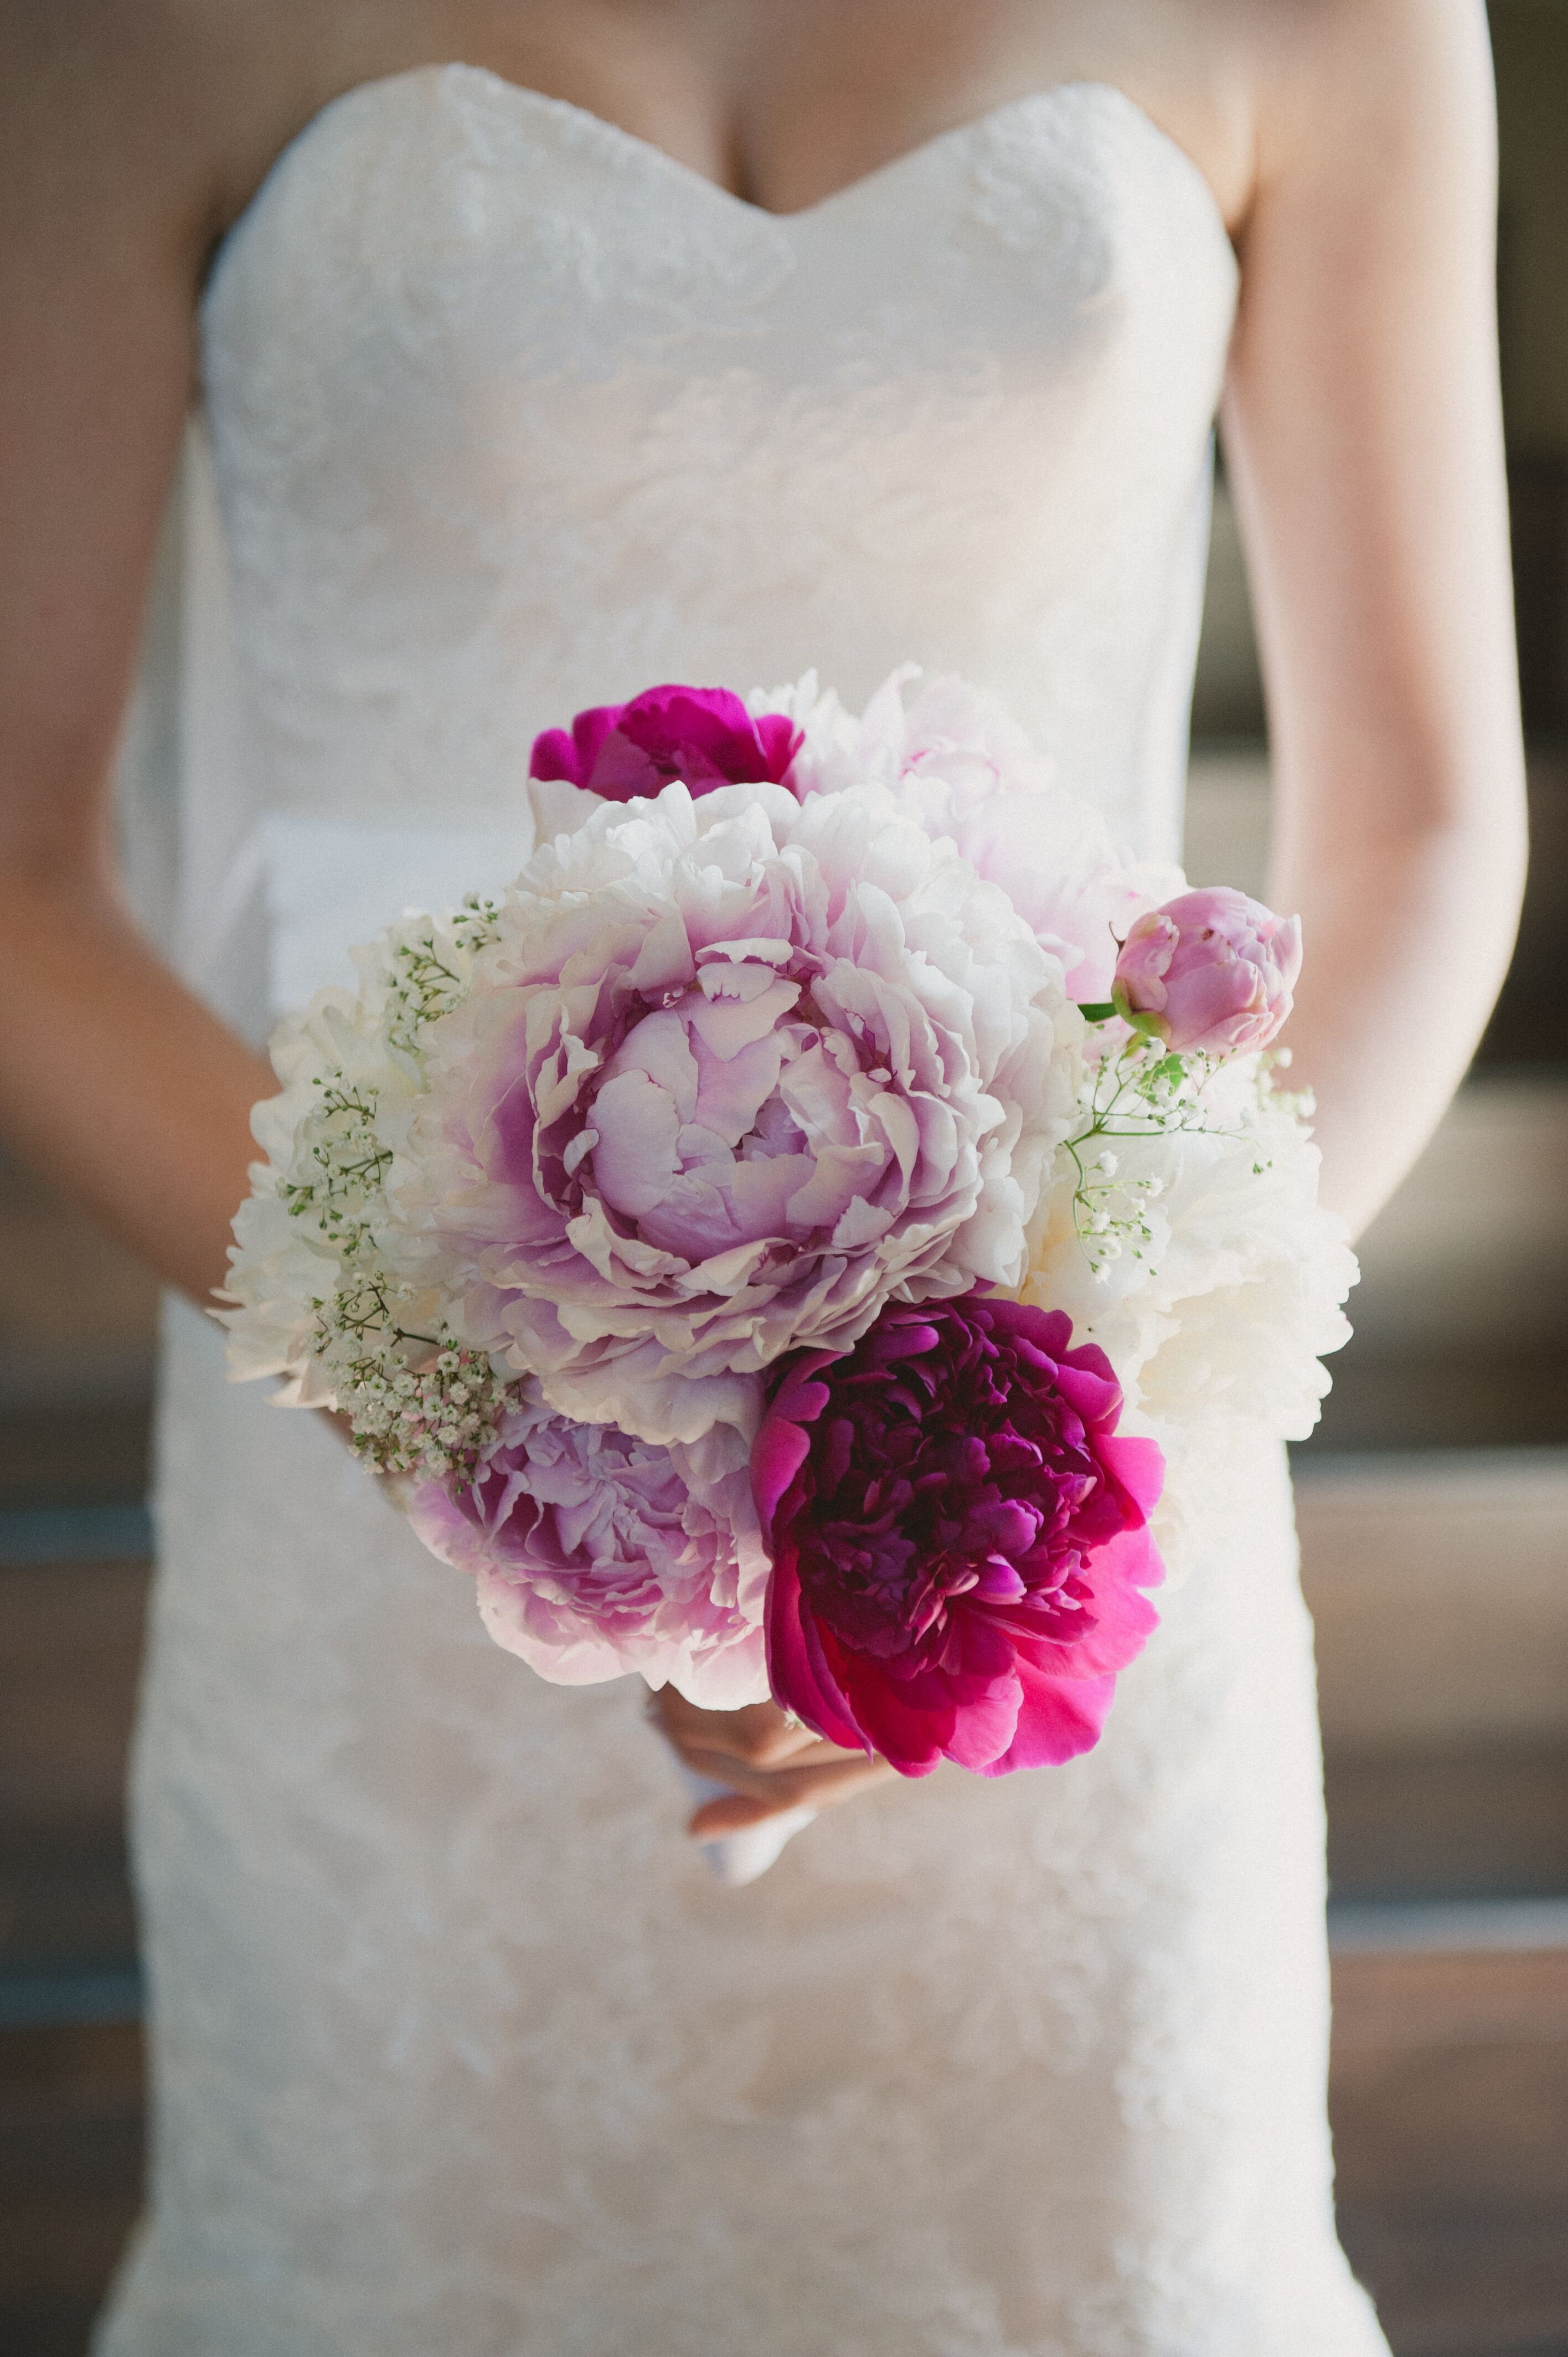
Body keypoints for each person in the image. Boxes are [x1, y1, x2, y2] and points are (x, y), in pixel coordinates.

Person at [0, 2, 1525, 2346]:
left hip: (1058, 1476)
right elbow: (17, 870)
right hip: (391, 1493)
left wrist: (1075, 1424)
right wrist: (537, 1429)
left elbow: (1425, 819)